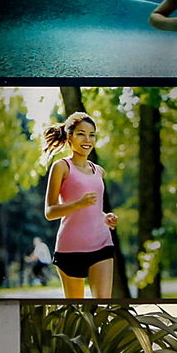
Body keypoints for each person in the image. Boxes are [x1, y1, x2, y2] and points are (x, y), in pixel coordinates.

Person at [40, 110, 120, 299]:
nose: (87, 140)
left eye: (92, 135)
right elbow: (50, 212)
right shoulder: (61, 167)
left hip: (101, 243)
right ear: (70, 137)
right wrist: (78, 204)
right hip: (70, 248)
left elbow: (94, 209)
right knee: (76, 311)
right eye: (81, 134)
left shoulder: (99, 171)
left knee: (102, 307)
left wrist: (105, 217)